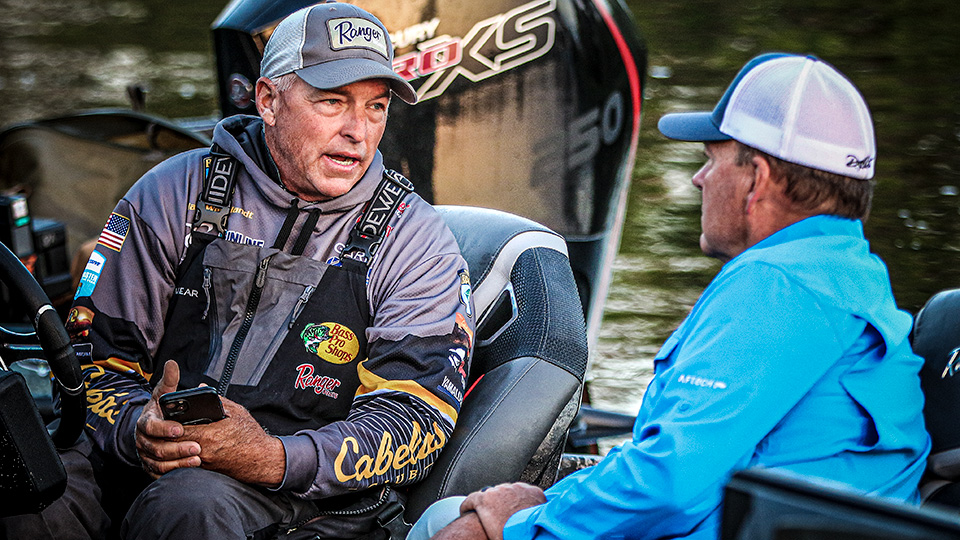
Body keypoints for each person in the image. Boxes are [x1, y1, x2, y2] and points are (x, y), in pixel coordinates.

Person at [409, 52, 931, 540]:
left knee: (442, 522)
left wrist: (523, 525)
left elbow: (670, 485)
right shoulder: (853, 273)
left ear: (757, 179)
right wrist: (551, 500)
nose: (700, 180)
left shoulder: (777, 285)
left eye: (711, 159)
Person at [1, 3, 475, 540]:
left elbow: (416, 421)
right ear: (268, 100)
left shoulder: (416, 242)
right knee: (29, 493)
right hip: (135, 463)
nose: (357, 131)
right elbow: (92, 363)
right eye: (332, 101)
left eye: (376, 107)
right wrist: (140, 430)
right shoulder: (173, 192)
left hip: (305, 500)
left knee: (188, 505)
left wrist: (272, 457)